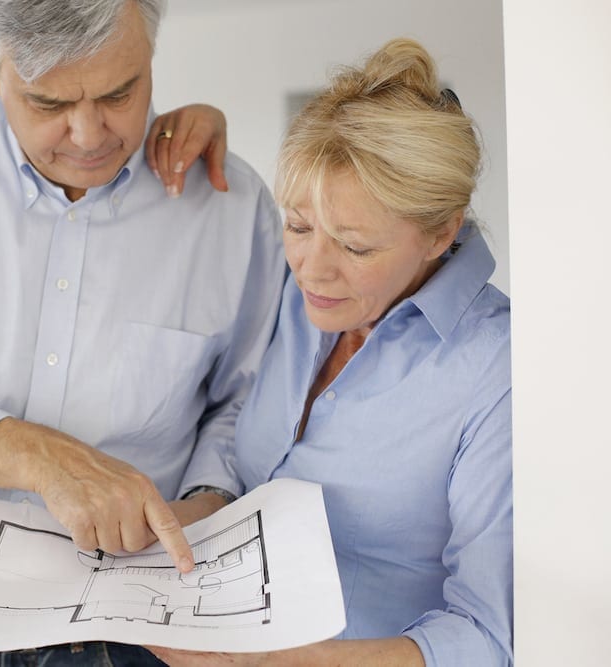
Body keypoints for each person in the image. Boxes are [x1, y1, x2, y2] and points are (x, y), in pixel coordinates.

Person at [0, 0, 283, 664]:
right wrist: (43, 460)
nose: (89, 132)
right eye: (48, 103)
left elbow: (249, 401)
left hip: (140, 627)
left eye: (120, 93)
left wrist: (206, 501)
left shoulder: (229, 205)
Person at [147, 38, 512, 666]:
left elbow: (488, 639)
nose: (312, 271)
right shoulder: (291, 299)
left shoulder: (499, 370)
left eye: (356, 247)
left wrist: (272, 663)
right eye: (298, 226)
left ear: (441, 233)